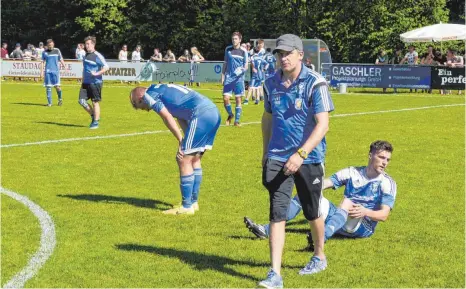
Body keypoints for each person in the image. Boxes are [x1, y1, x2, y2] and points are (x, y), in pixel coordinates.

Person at [259, 34, 334, 288]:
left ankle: (319, 255)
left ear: (300, 54)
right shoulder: (270, 84)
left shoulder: (315, 83)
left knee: (312, 211)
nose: (283, 58)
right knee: (277, 213)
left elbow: (323, 125)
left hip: (309, 157)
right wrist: (265, 151)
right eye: (280, 54)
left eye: (288, 53)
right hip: (278, 156)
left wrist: (300, 154)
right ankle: (275, 273)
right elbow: (267, 117)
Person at [245, 140, 397, 250]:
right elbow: (322, 185)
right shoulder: (352, 172)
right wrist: (306, 188)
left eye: (387, 159)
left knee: (347, 202)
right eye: (381, 157)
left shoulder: (387, 183)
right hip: (340, 217)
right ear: (370, 155)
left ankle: (321, 238)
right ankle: (265, 230)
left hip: (362, 225)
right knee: (305, 195)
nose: (385, 163)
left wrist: (365, 211)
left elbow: (384, 215)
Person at [129, 83, 221, 215]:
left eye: (140, 107)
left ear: (140, 99)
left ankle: (186, 207)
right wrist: (184, 141)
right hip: (213, 112)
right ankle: (193, 202)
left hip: (201, 114)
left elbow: (167, 117)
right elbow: (180, 116)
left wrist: (180, 141)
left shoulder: (149, 95)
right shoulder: (159, 88)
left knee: (183, 159)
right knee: (194, 159)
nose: (144, 110)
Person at [78, 36, 109, 129]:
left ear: (93, 44)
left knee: (95, 102)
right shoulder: (85, 55)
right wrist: (82, 80)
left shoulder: (97, 56)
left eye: (88, 44)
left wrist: (96, 74)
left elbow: (106, 67)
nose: (87, 46)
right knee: (81, 101)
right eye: (86, 44)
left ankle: (95, 122)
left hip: (95, 82)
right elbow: (85, 68)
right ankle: (93, 115)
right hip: (85, 83)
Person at [221, 31, 248, 126]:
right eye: (232, 39)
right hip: (228, 78)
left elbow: (246, 65)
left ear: (240, 40)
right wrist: (222, 75)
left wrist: (241, 70)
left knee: (238, 99)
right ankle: (230, 114)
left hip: (239, 79)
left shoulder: (244, 51)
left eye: (236, 39)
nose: (234, 40)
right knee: (225, 98)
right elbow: (225, 63)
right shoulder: (228, 49)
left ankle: (236, 121)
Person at [40, 39, 66, 106]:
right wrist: (41, 72)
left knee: (57, 86)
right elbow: (42, 62)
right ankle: (49, 103)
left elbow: (61, 59)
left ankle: (60, 99)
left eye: (51, 45)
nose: (50, 46)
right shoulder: (44, 52)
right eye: (49, 45)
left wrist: (64, 66)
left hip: (55, 72)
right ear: (47, 45)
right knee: (48, 87)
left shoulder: (57, 50)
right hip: (48, 72)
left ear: (53, 44)